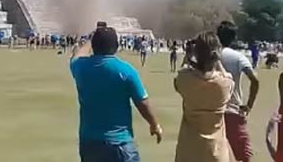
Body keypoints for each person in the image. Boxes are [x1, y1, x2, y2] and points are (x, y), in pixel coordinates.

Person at [70, 26, 162, 162]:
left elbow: (76, 55)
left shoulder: (80, 67)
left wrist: (90, 41)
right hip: (119, 144)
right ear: (116, 46)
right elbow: (142, 103)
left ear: (94, 46)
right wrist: (154, 124)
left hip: (89, 143)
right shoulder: (126, 70)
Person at [174, 32, 235, 162]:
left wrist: (189, 57)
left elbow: (180, 77)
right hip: (216, 152)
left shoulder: (185, 79)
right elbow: (226, 76)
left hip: (188, 151)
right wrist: (217, 62)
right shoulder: (224, 84)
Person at [218, 21, 260, 162]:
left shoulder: (210, 56)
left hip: (211, 113)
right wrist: (249, 105)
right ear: (234, 38)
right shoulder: (237, 57)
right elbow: (254, 80)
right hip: (233, 111)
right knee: (243, 156)